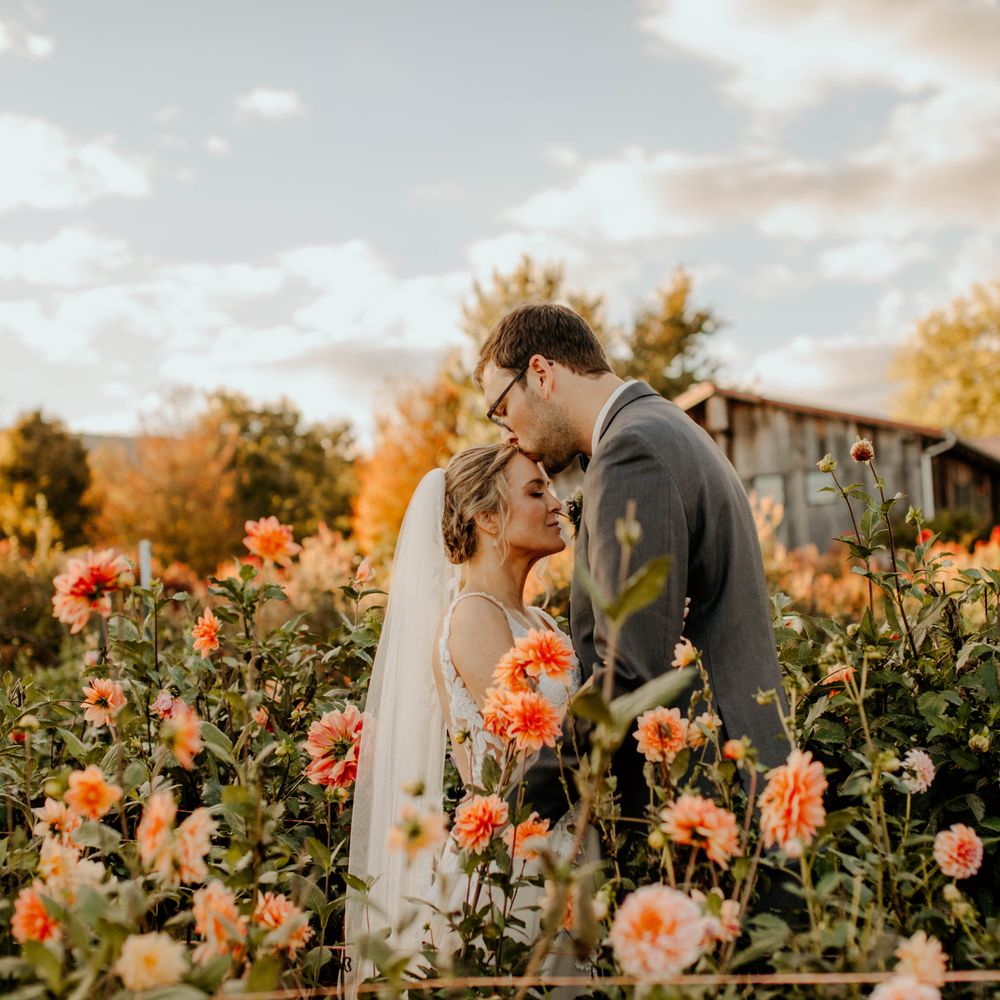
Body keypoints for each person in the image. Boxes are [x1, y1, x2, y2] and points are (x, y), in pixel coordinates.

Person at [474, 303, 788, 826]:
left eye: (500, 409)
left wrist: (513, 812)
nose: (505, 433)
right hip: (743, 773)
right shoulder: (665, 424)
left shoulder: (631, 451)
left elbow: (630, 672)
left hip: (708, 792)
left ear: (541, 373)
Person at [346, 444, 594, 994]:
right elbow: (532, 753)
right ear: (486, 517)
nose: (558, 504)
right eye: (536, 491)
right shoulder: (473, 616)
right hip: (516, 871)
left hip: (567, 849)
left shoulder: (540, 619)